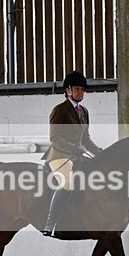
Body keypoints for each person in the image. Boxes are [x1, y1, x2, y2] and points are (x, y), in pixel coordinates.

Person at [41, 71, 102, 236]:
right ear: (68, 90)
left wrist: (100, 152)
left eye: (82, 90)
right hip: (59, 156)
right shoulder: (59, 110)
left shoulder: (84, 111)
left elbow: (86, 139)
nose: (80, 92)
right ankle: (50, 224)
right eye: (77, 89)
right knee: (67, 183)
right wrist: (74, 149)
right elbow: (55, 138)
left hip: (76, 156)